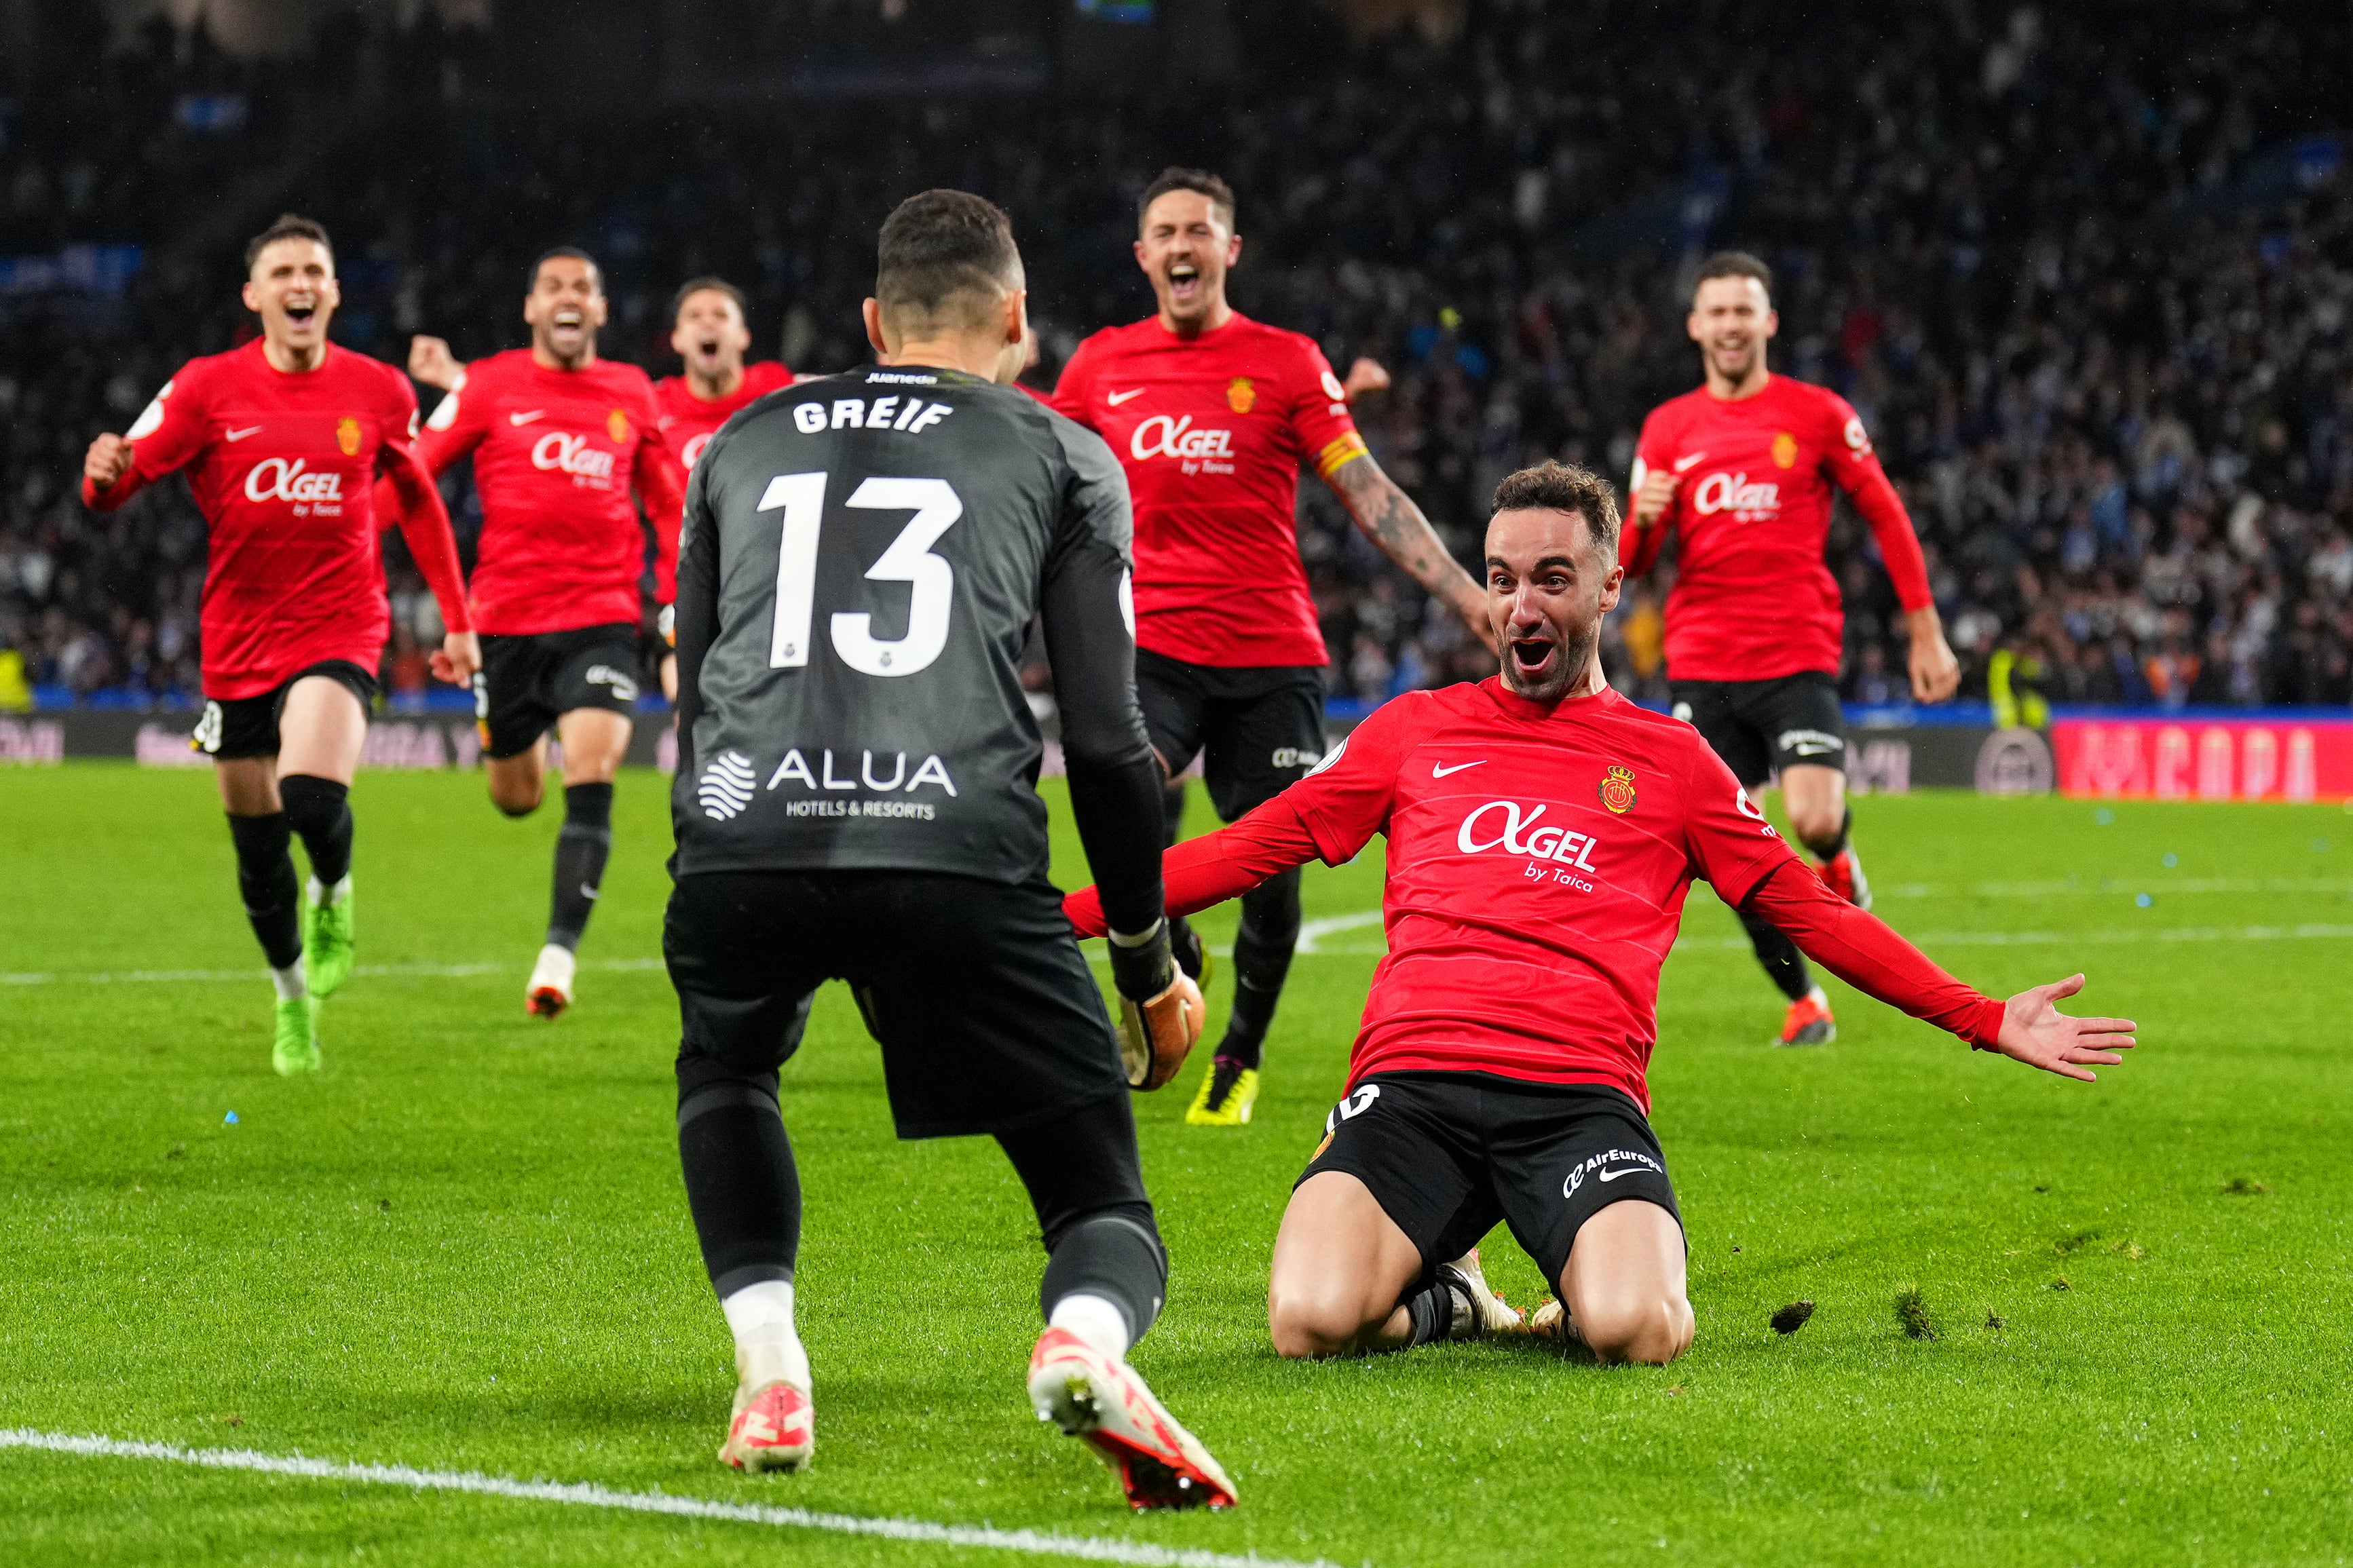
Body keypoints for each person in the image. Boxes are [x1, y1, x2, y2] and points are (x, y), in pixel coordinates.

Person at [1065, 461, 2134, 1366]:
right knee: (1307, 1317)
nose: (1518, 607)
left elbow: (1813, 913)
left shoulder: (1672, 764)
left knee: (1637, 1324)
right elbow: (1248, 846)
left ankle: (1549, 1269)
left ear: (1609, 585)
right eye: (1499, 581)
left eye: (1549, 579)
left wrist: (1981, 1015)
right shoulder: (1411, 732)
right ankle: (1456, 1296)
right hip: (1414, 1086)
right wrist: (1055, 911)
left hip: (1575, 1101)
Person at [663, 189, 1232, 1508]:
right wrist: (1145, 964)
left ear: (870, 323)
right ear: (1017, 317)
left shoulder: (734, 442)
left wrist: (716, 857)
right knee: (1096, 1193)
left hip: (745, 840)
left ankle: (769, 1370)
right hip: (959, 848)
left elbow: (698, 700)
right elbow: (1105, 740)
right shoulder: (1067, 452)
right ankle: (1079, 1341)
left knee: (728, 1067)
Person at [1053, 166, 1499, 1129]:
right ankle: (1161, 943)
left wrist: (1465, 592)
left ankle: (1238, 1055)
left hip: (1269, 654)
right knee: (1121, 792)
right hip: (1152, 645)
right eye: (1163, 232)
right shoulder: (1097, 368)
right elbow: (1040, 485)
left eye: (1198, 231)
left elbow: (1368, 492)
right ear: (1141, 255)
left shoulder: (1286, 362)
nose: (1181, 247)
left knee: (1266, 859)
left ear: (1228, 250)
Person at [81, 214, 478, 1076]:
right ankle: (291, 1001)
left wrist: (457, 615)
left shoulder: (378, 391)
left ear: (333, 292)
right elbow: (120, 483)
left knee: (308, 794)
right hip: (236, 638)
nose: (300, 285)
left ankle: (334, 891)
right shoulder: (202, 388)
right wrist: (99, 473)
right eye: (283, 272)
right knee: (256, 848)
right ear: (254, 295)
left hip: (340, 619)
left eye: (314, 271)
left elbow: (417, 501)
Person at [1625, 251, 1963, 1047]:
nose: (1731, 325)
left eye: (1745, 310)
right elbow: (1633, 565)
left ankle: (1839, 854)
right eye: (1717, 312)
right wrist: (1641, 518)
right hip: (1701, 658)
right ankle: (1804, 998)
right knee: (1730, 855)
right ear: (1695, 326)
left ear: (1767, 321)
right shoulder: (1667, 427)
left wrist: (1924, 626)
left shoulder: (1816, 414)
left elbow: (1883, 513)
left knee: (1810, 819)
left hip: (1795, 649)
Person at [401, 250, 685, 1020]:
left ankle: (556, 957)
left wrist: (679, 600)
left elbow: (668, 504)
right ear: (531, 308)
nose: (569, 299)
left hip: (602, 618)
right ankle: (508, 729)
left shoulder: (631, 391)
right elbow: (413, 475)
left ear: (600, 309)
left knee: (590, 777)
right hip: (506, 626)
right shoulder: (489, 386)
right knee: (517, 797)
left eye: (583, 289)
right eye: (554, 287)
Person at [647, 277, 795, 702]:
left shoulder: (777, 392)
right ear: (677, 339)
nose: (707, 325)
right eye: (694, 317)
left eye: (720, 316)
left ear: (743, 336)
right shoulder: (654, 406)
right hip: (683, 594)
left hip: (767, 595)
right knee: (692, 721)